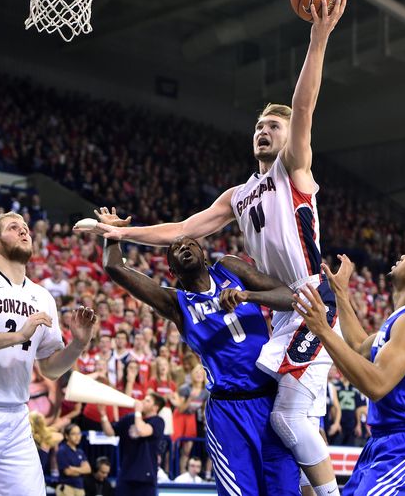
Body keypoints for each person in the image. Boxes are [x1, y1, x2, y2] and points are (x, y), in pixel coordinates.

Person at [77, 0, 347, 496]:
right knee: (285, 414)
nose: (263, 132)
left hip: (309, 299)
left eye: (273, 127)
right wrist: (119, 233)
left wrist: (318, 39)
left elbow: (305, 104)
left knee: (289, 420)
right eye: (259, 127)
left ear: (290, 139)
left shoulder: (295, 172)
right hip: (281, 310)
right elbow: (181, 230)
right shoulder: (238, 195)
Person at [97, 208, 299, 495]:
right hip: (228, 412)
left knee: (285, 489)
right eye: (176, 248)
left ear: (204, 255)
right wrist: (113, 234)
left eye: (189, 243)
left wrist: (247, 295)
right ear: (173, 270)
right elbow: (115, 268)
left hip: (271, 401)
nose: (183, 246)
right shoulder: (176, 303)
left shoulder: (231, 268)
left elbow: (290, 297)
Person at [0, 212, 97, 496]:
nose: (24, 232)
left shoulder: (43, 296)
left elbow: (49, 369)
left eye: (26, 228)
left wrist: (77, 345)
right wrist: (18, 337)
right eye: (14, 228)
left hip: (17, 416)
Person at [294, 243, 405, 495]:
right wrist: (341, 293)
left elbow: (376, 384)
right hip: (383, 442)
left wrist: (322, 329)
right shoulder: (399, 320)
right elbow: (357, 345)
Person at [98, 392, 165, 496]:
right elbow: (110, 432)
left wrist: (138, 412)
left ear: (155, 407)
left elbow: (142, 431)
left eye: (147, 401)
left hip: (145, 477)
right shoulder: (130, 418)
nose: (142, 402)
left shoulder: (158, 421)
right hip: (126, 473)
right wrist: (103, 415)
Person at [56, 423, 90, 496]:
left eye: (79, 433)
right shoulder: (62, 450)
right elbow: (68, 472)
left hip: (80, 488)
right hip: (67, 488)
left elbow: (88, 470)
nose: (77, 436)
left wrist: (74, 469)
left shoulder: (80, 452)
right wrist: (81, 470)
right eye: (73, 434)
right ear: (66, 436)